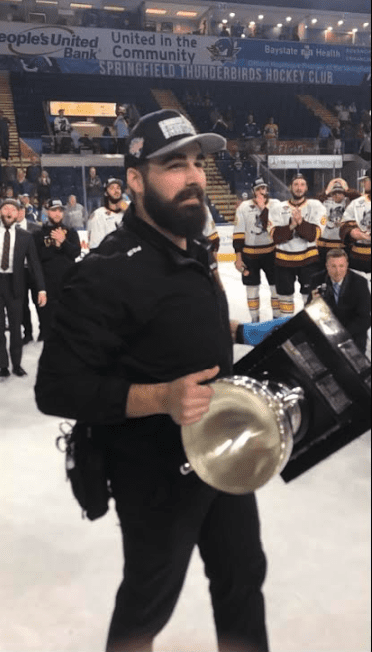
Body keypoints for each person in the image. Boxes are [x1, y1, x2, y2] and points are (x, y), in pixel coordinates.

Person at [35, 109, 269, 652]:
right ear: (135, 180)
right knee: (149, 599)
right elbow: (57, 388)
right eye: (172, 164)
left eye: (195, 162)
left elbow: (182, 328)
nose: (192, 176)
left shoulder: (192, 249)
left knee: (241, 578)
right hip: (154, 476)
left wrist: (244, 332)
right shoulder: (104, 273)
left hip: (222, 455)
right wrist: (161, 397)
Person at [268, 173, 326, 316]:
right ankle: (287, 332)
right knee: (285, 299)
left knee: (311, 299)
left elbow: (313, 235)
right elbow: (275, 237)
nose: (299, 188)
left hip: (309, 261)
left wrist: (300, 223)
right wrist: (292, 226)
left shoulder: (316, 206)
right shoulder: (277, 208)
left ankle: (310, 330)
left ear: (306, 188)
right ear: (290, 187)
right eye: (295, 184)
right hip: (283, 262)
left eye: (302, 184)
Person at [0, 198, 46, 377]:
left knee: (15, 328)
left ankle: (16, 364)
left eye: (13, 209)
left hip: (16, 284)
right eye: (5, 208)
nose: (9, 212)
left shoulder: (25, 236)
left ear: (18, 213)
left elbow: (34, 264)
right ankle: (2, 365)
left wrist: (41, 289)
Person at [234, 178, 281, 322]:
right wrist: (238, 257)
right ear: (253, 191)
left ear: (267, 190)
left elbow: (278, 228)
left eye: (263, 188)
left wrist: (262, 208)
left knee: (275, 288)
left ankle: (276, 320)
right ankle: (255, 321)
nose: (261, 191)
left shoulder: (276, 204)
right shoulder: (243, 207)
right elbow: (238, 233)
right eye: (258, 189)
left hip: (271, 254)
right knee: (251, 289)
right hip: (249, 256)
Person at [33, 198, 81, 340]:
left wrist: (63, 242)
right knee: (46, 314)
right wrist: (56, 245)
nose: (57, 214)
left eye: (60, 211)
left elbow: (75, 253)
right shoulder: (38, 234)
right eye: (54, 210)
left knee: (68, 312)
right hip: (47, 280)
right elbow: (37, 257)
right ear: (47, 212)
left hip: (67, 280)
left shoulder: (71, 232)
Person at [308, 249, 371, 354]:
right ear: (327, 266)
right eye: (333, 266)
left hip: (352, 336)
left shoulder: (360, 283)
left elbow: (364, 319)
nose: (338, 271)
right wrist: (313, 304)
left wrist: (341, 336)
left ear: (347, 265)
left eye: (341, 266)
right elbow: (309, 312)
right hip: (326, 336)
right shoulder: (316, 280)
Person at [15, 205, 43, 344]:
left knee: (39, 301)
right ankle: (27, 333)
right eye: (16, 210)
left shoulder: (36, 228)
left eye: (21, 210)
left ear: (24, 212)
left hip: (34, 269)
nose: (19, 213)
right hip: (18, 272)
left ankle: (43, 330)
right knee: (22, 303)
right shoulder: (8, 229)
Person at [340, 169, 371, 275]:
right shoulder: (356, 203)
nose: (364, 183)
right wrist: (352, 233)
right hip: (358, 258)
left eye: (366, 180)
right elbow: (344, 226)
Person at [317, 178, 350, 268]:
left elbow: (357, 196)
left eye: (340, 192)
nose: (337, 195)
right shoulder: (324, 202)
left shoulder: (349, 202)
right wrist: (327, 190)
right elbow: (315, 201)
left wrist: (347, 189)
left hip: (342, 245)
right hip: (324, 245)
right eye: (334, 193)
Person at [87, 178, 126, 250]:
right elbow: (95, 247)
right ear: (106, 193)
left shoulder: (126, 213)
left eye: (118, 188)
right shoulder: (98, 214)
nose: (116, 191)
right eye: (112, 188)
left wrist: (126, 207)